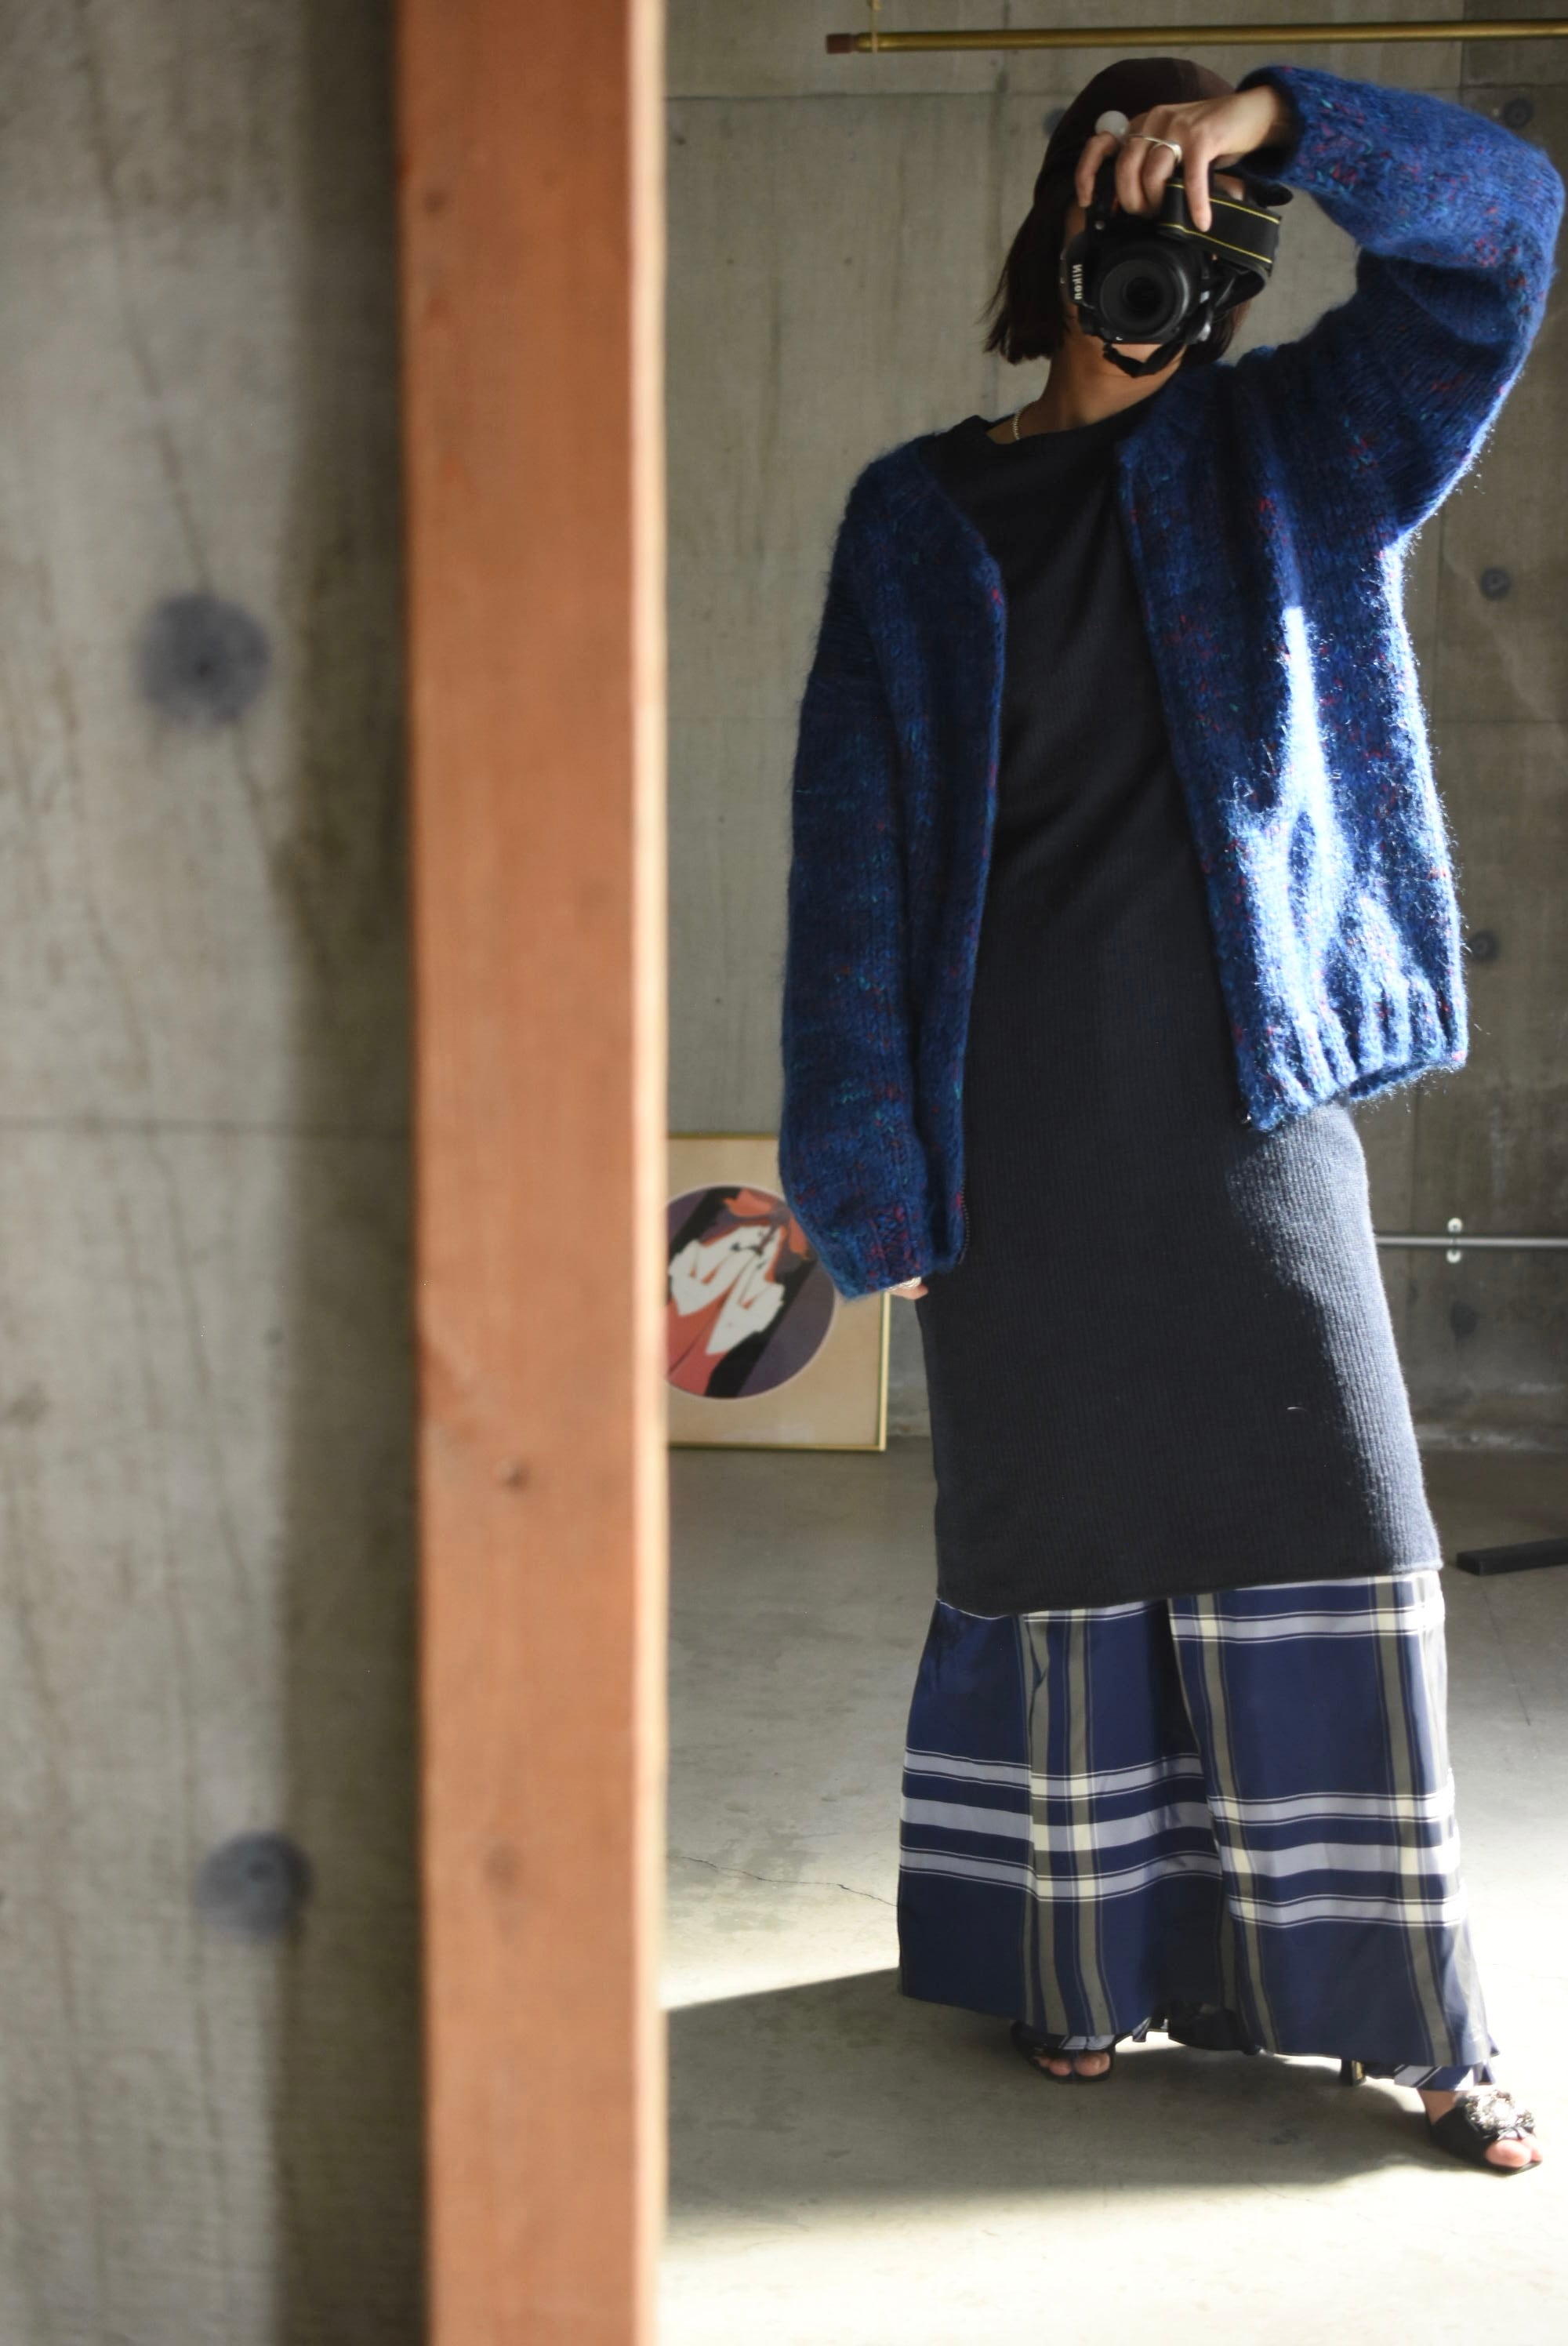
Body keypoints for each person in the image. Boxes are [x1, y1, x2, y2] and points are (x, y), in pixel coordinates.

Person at [777, 56, 1563, 2173]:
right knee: (1059, 1547)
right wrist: (862, 1174)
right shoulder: (915, 516)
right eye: (1121, 210)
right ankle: (1081, 1963)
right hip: (1013, 1124)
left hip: (1248, 1100)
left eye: (1204, 230)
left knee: (1338, 1529)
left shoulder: (1305, 447)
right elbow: (853, 865)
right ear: (1058, 231)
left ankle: (1414, 2021)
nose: (1156, 261)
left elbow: (1508, 231)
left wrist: (1275, 125)